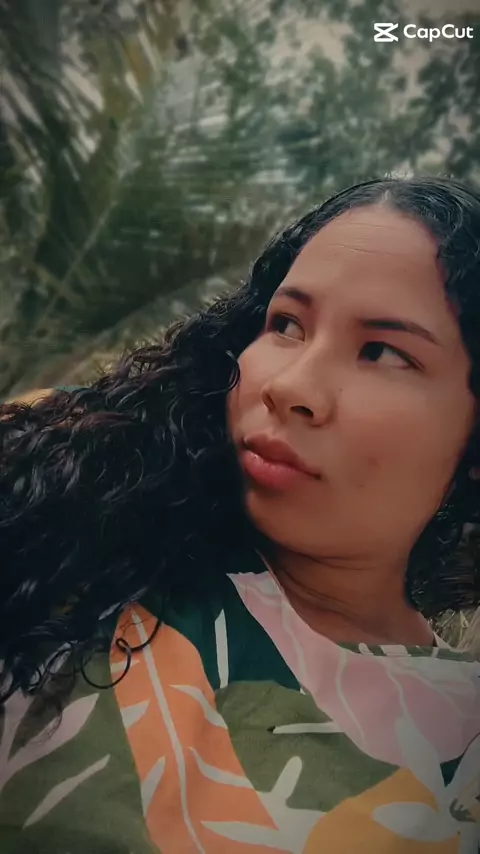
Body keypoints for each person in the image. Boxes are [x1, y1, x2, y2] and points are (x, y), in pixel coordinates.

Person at [0, 176, 479, 854]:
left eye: (382, 352)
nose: (291, 386)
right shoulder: (62, 496)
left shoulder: (460, 755)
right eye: (286, 324)